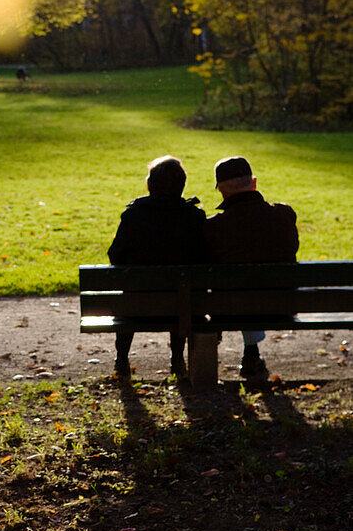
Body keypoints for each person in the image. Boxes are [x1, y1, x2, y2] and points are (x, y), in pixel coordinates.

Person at [108, 155, 207, 377]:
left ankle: (122, 359)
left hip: (136, 307)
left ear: (149, 186)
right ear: (183, 187)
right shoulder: (195, 217)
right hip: (183, 307)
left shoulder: (134, 215)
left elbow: (115, 255)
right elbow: (204, 257)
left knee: (130, 294)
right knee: (182, 291)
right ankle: (177, 359)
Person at [205, 155, 299, 380]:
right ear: (254, 183)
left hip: (226, 311)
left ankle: (239, 354)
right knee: (251, 291)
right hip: (280, 306)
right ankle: (251, 355)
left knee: (236, 292)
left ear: (221, 191)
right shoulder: (284, 216)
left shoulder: (213, 227)